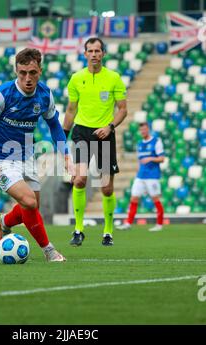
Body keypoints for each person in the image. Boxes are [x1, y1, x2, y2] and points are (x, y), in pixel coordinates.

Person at [0, 48, 73, 262]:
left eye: (32, 73)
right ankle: (49, 251)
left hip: (27, 155)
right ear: (16, 71)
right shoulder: (2, 94)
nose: (27, 78)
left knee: (32, 206)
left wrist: (65, 155)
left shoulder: (44, 94)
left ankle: (5, 222)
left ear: (40, 70)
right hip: (2, 158)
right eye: (22, 73)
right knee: (29, 201)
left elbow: (54, 126)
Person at [63, 37, 128, 246]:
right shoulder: (76, 79)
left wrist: (109, 127)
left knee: (106, 188)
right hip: (81, 132)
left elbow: (123, 110)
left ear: (103, 54)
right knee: (79, 179)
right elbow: (71, 109)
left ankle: (108, 231)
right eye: (90, 51)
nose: (94, 54)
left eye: (97, 51)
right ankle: (78, 229)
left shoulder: (114, 78)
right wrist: (63, 134)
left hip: (104, 134)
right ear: (84, 54)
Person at [116, 122, 165, 231]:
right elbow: (140, 161)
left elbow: (162, 159)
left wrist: (151, 159)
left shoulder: (156, 141)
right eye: (141, 130)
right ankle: (128, 223)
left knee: (155, 199)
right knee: (133, 198)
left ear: (149, 129)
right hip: (140, 176)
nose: (143, 131)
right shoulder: (140, 144)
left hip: (152, 176)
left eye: (145, 129)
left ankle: (159, 225)